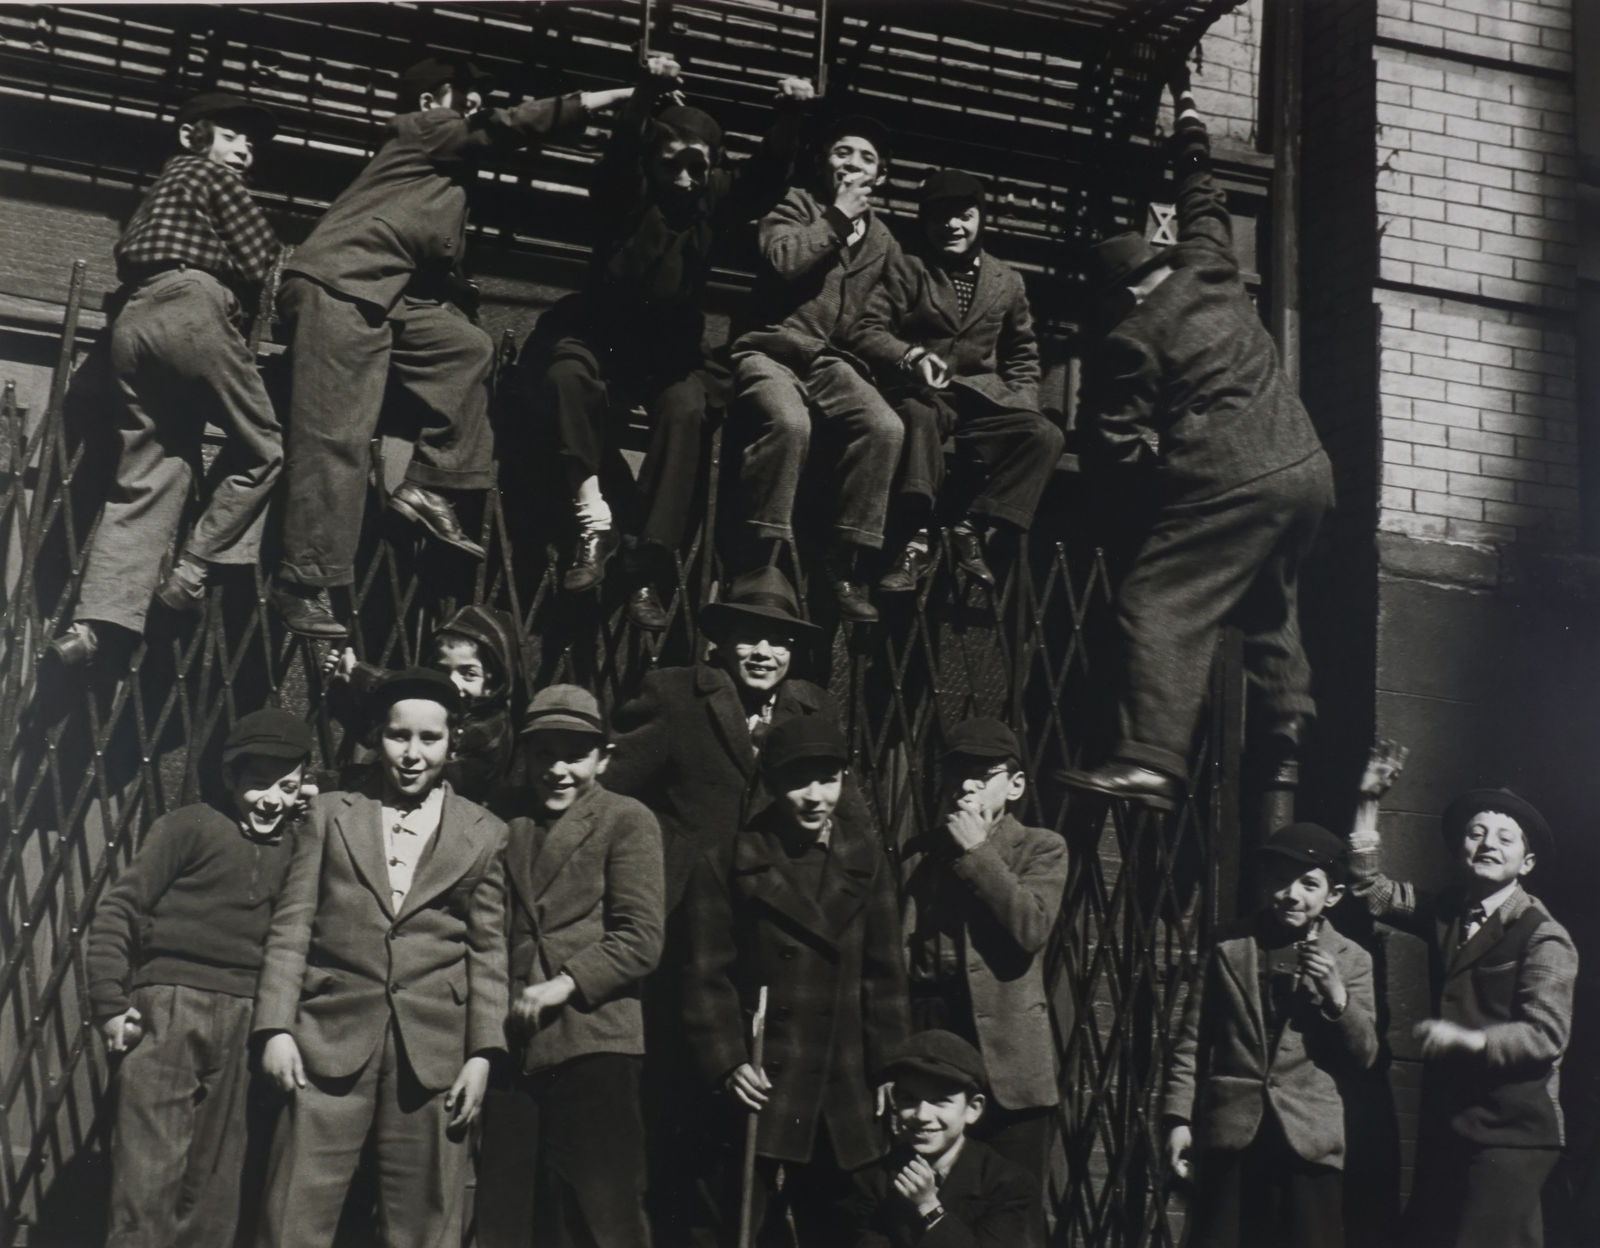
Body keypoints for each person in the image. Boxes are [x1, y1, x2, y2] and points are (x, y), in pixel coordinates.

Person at [269, 56, 635, 639]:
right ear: (431, 101)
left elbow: (440, 268)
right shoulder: (423, 129)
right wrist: (605, 98)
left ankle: (427, 485)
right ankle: (303, 584)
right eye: (462, 100)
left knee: (466, 348)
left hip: (385, 296)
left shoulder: (439, 179)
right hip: (338, 286)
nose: (471, 111)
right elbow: (506, 126)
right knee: (334, 437)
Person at [1059, 68, 1334, 811]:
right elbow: (1203, 195)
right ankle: (1288, 715)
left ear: (1119, 294)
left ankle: (1150, 760)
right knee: (1265, 601)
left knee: (1155, 602)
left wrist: (1140, 481)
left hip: (1229, 478)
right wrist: (1186, 115)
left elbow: (1117, 444)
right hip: (1306, 469)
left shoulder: (1130, 339)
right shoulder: (1210, 264)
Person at [513, 52, 813, 628]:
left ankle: (648, 561)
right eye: (671, 164)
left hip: (667, 355)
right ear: (654, 158)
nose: (683, 180)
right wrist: (647, 94)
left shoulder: (708, 199)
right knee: (563, 378)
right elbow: (622, 153)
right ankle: (593, 520)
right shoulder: (626, 193)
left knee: (688, 409)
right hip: (597, 336)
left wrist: (789, 117)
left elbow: (764, 176)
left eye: (696, 169)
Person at [605, 565, 855, 1242]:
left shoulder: (810, 709)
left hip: (768, 942)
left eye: (778, 641)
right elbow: (610, 797)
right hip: (684, 933)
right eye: (749, 637)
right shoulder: (675, 695)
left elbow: (843, 819)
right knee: (675, 1108)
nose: (764, 654)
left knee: (747, 1127)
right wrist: (665, 863)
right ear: (723, 641)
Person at [251, 667, 509, 1247]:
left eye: (429, 739)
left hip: (433, 1056)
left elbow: (488, 950)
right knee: (295, 1211)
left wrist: (482, 1053)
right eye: (399, 737)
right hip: (326, 1041)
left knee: (424, 1221)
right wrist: (275, 1028)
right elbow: (292, 926)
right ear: (376, 736)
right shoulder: (329, 813)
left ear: (452, 742)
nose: (413, 754)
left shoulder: (485, 832)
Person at [49, 92, 286, 668]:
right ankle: (191, 572)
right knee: (265, 450)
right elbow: (262, 259)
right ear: (191, 136)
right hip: (193, 306)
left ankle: (93, 624)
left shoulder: (157, 196)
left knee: (149, 472)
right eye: (232, 136)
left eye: (250, 143)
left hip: (132, 323)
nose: (244, 150)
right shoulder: (213, 178)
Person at [87, 707, 312, 1247]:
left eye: (287, 786)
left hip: (245, 1016)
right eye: (258, 784)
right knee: (147, 1175)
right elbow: (119, 909)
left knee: (217, 1184)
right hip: (168, 1008)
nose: (271, 800)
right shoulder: (188, 826)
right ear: (231, 778)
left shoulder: (299, 847)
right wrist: (110, 1004)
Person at [681, 716, 910, 1246]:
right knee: (734, 1226)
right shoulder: (727, 865)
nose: (815, 796)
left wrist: (890, 1067)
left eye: (828, 780)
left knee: (842, 1228)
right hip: (762, 1084)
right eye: (798, 780)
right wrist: (728, 1061)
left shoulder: (866, 863)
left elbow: (885, 977)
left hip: (840, 1084)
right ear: (771, 784)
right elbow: (704, 975)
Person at [1348, 742, 1578, 1248]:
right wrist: (1368, 801)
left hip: (1514, 1134)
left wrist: (1468, 1040)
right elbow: (1372, 892)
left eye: (1504, 837)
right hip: (1453, 1128)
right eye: (1477, 833)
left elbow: (1545, 1035)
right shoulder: (1447, 912)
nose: (1488, 844)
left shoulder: (1545, 935)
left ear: (1527, 861)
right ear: (1460, 849)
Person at [475, 685, 664, 1248]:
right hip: (515, 1045)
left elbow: (642, 937)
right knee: (511, 1217)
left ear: (603, 758)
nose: (557, 769)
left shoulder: (625, 820)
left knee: (603, 1217)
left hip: (593, 1042)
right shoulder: (505, 821)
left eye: (574, 754)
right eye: (542, 753)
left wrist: (563, 984)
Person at [1163, 821, 1380, 1248]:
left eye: (1308, 884)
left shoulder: (1352, 960)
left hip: (1308, 1141)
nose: (1291, 894)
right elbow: (1193, 1037)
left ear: (1332, 896)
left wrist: (1337, 995)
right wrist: (1178, 1118)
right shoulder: (1230, 944)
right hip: (1234, 1133)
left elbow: (1366, 1055)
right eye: (1280, 880)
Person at [727, 112, 905, 623]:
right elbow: (782, 259)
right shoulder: (794, 204)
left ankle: (844, 557)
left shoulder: (884, 241)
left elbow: (872, 322)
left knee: (884, 426)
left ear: (881, 177)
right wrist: (837, 218)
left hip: (826, 360)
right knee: (788, 421)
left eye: (866, 158)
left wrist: (908, 356)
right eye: (842, 152)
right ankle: (763, 552)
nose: (853, 163)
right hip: (768, 348)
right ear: (825, 163)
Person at [851, 169, 1061, 595]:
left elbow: (1022, 354)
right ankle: (916, 536)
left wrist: (1020, 402)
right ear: (925, 223)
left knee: (1044, 435)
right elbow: (866, 330)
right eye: (940, 218)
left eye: (964, 216)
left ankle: (971, 523)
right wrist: (909, 356)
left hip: (982, 401)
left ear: (980, 218)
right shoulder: (907, 268)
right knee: (915, 415)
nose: (953, 226)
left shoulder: (1008, 281)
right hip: (921, 393)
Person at [898, 717, 1066, 1229]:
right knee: (922, 1204)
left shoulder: (1041, 847)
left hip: (1008, 1063)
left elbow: (1031, 927)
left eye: (984, 773)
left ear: (1014, 786)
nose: (967, 785)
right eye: (956, 773)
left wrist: (977, 851)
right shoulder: (920, 854)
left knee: (1008, 1214)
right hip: (935, 1047)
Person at [848, 1030, 1039, 1248]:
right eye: (909, 1099)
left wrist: (929, 1207)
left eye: (940, 1101)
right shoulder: (874, 1181)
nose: (921, 1115)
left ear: (973, 1109)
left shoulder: (1005, 1183)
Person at [322, 603, 523, 803]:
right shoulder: (447, 710)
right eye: (442, 672)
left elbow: (404, 682)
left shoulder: (492, 724)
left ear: (493, 683)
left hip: (450, 813)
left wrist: (357, 671)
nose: (452, 683)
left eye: (469, 674)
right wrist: (340, 689)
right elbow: (378, 736)